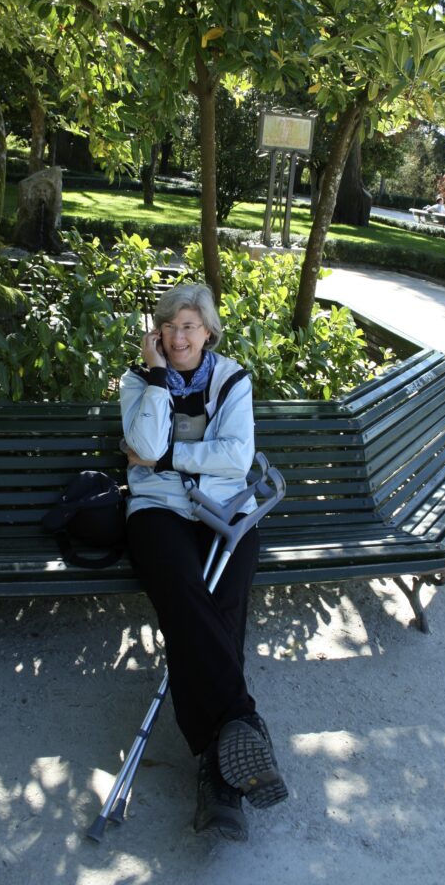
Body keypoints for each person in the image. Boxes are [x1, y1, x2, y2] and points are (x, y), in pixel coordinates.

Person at [120, 282, 287, 842]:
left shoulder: (231, 379)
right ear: (157, 335)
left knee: (225, 601)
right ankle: (240, 723)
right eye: (169, 327)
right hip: (157, 510)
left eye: (190, 326)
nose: (178, 336)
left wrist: (168, 456)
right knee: (188, 595)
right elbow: (141, 439)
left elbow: (236, 459)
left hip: (226, 509)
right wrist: (155, 380)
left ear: (208, 332)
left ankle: (217, 774)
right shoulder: (137, 381)